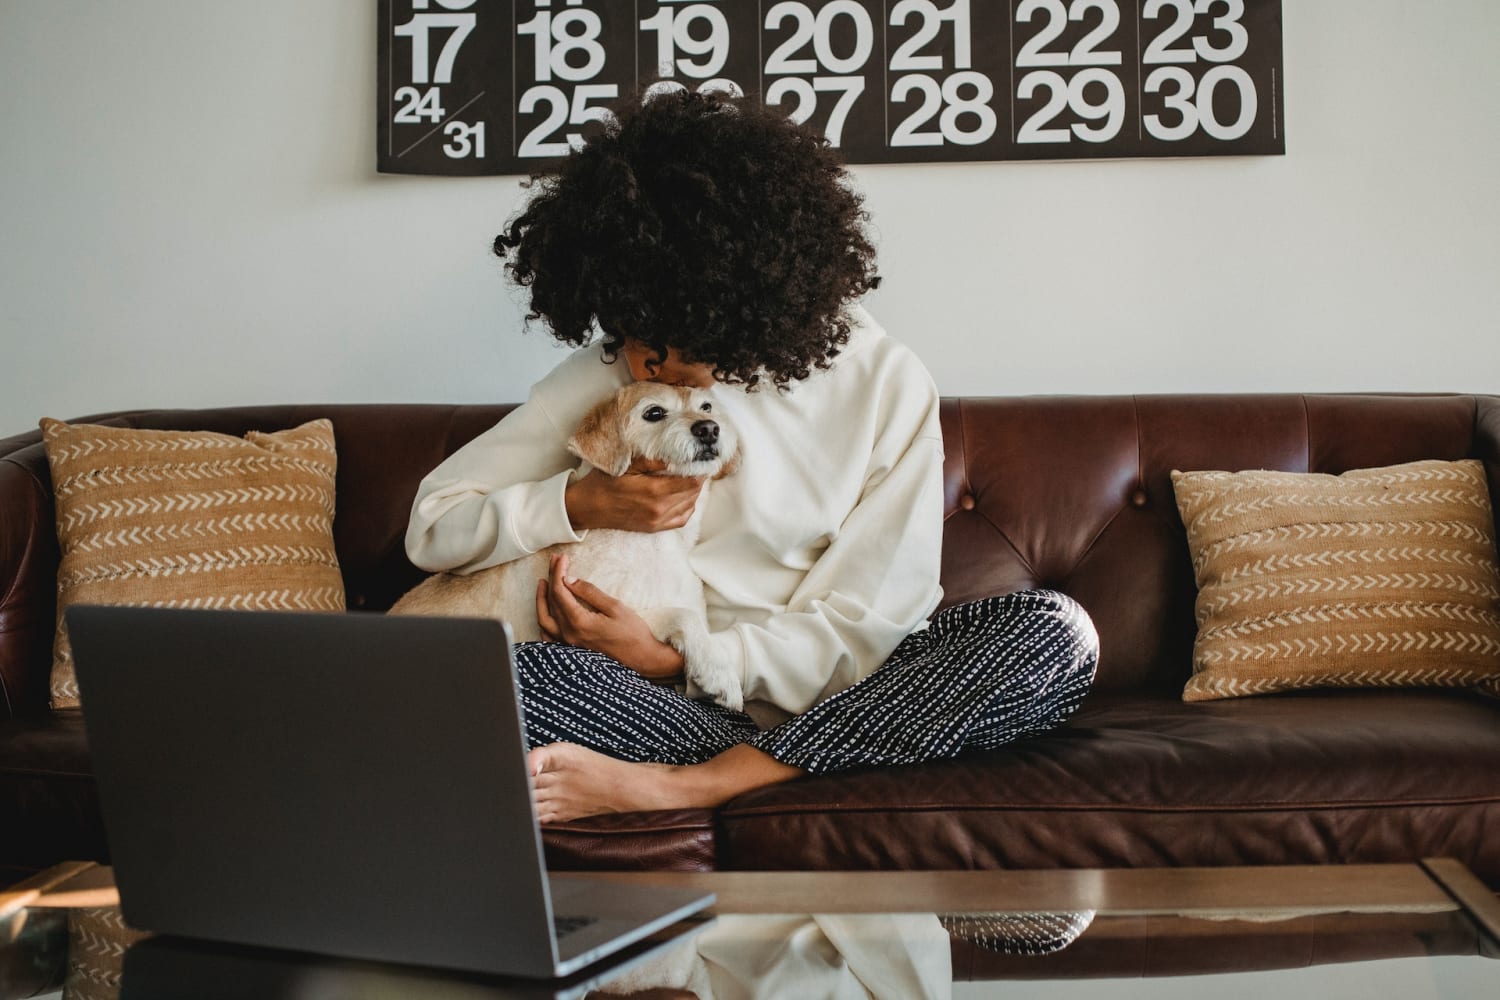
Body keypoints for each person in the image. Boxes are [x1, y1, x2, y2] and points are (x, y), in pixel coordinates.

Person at [405, 89, 1098, 824]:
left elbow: (871, 624)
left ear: (737, 308)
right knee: (498, 683)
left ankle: (697, 786)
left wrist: (681, 660)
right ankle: (750, 770)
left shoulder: (885, 385)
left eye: (663, 334)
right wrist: (576, 505)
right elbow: (433, 519)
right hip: (654, 714)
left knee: (1054, 633)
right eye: (628, 326)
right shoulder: (623, 366)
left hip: (823, 709)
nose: (640, 356)